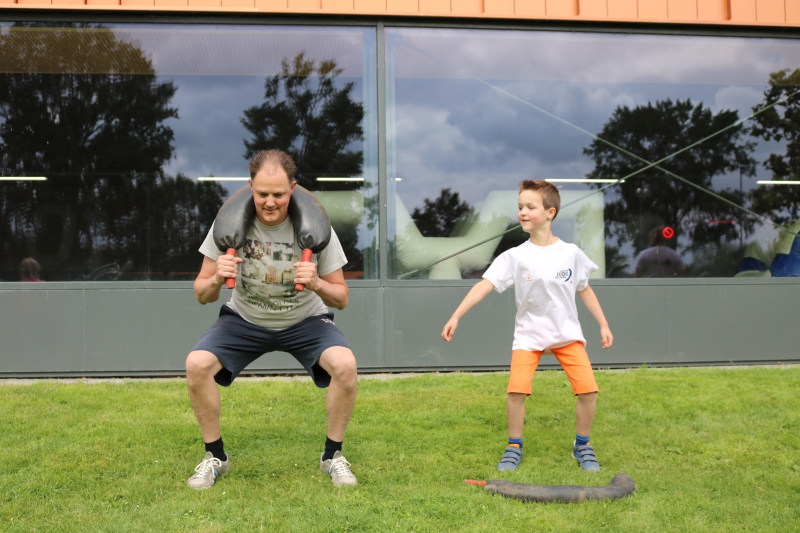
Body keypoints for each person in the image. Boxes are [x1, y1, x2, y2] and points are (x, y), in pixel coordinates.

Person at [185, 149, 358, 489]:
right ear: (250, 186)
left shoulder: (316, 227)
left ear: (292, 188)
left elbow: (342, 297)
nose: (269, 202)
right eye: (262, 193)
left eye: (278, 194)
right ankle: (215, 457)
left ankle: (332, 456)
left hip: (306, 320)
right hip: (244, 318)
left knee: (346, 365)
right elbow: (202, 294)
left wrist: (317, 283)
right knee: (196, 364)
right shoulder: (229, 225)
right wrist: (217, 278)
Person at [441, 180, 613, 472]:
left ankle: (582, 445)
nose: (522, 212)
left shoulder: (571, 253)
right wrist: (456, 315)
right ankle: (514, 446)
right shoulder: (515, 256)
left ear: (550, 213)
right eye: (520, 206)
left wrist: (603, 324)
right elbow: (484, 285)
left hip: (567, 335)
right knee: (516, 391)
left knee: (588, 391)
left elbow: (584, 289)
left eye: (530, 207)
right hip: (528, 337)